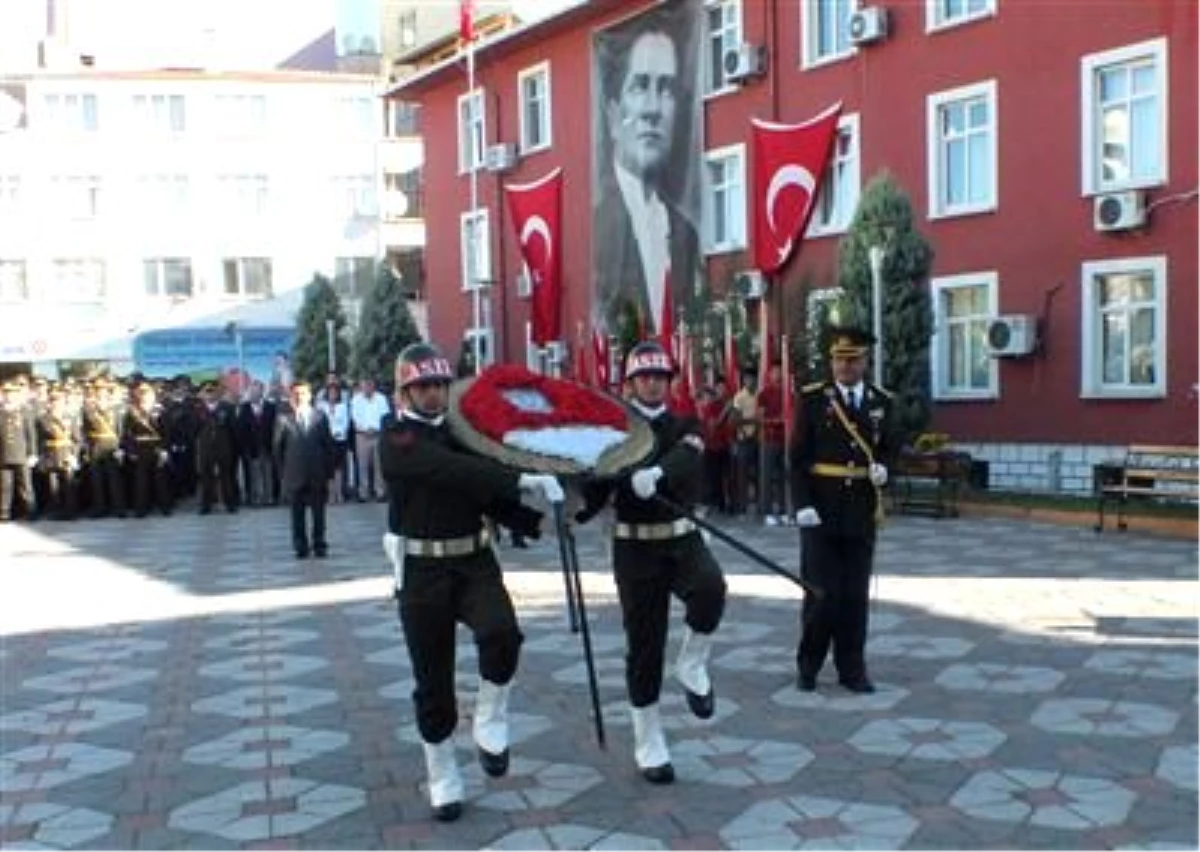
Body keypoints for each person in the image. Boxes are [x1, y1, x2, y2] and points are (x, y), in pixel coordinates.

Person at [379, 342, 564, 823]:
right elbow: (447, 470)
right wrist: (519, 478)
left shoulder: (466, 436)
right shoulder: (396, 437)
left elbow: (482, 489)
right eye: (423, 387)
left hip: (474, 558)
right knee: (433, 679)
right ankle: (442, 773)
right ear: (405, 393)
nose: (434, 394)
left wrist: (543, 519)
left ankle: (490, 715)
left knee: (502, 633)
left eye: (440, 385)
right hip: (422, 569)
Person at [575, 340, 727, 785]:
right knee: (644, 645)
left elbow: (688, 456)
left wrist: (655, 474)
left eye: (660, 377)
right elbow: (597, 487)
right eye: (644, 377)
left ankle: (693, 661)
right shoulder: (613, 433)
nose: (653, 384)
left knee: (711, 591)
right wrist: (571, 507)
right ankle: (649, 742)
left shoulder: (685, 422)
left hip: (682, 539)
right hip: (634, 546)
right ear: (630, 383)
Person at [791, 327, 896, 695]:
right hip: (820, 512)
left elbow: (889, 450)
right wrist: (802, 504)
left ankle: (852, 668)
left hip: (860, 513)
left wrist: (885, 471)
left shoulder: (882, 402)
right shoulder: (815, 399)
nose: (845, 367)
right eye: (839, 359)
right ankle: (809, 665)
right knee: (822, 595)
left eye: (852, 360)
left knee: (854, 595)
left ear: (865, 362)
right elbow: (798, 458)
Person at [593, 19, 699, 338]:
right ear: (613, 116)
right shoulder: (599, 222)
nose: (652, 109)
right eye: (640, 86)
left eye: (665, 89)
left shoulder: (685, 233)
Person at [273, 382, 335, 559]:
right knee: (297, 514)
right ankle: (300, 545)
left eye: (304, 394)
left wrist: (328, 472)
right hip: (294, 474)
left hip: (317, 473)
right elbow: (277, 449)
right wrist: (283, 475)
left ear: (310, 396)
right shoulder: (284, 419)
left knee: (319, 513)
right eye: (297, 394)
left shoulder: (320, 417)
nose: (300, 397)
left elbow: (328, 446)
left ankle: (319, 544)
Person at [195, 382, 239, 514]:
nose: (210, 394)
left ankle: (230, 504)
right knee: (206, 477)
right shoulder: (198, 409)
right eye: (207, 391)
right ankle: (206, 505)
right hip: (206, 448)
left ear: (218, 392)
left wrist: (233, 447)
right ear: (203, 394)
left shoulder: (227, 407)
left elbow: (233, 429)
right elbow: (193, 430)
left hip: (223, 447)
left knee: (226, 477)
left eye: (212, 391)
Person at [236, 380, 277, 507]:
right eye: (252, 390)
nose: (255, 393)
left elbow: (275, 427)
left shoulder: (271, 407)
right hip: (251, 447)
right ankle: (254, 498)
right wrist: (244, 448)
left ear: (262, 391)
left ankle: (269, 497)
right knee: (253, 474)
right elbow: (241, 430)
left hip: (267, 445)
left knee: (268, 473)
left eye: (258, 390)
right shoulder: (244, 408)